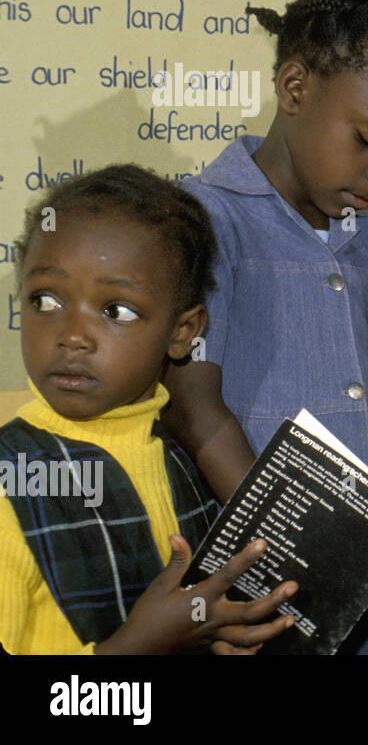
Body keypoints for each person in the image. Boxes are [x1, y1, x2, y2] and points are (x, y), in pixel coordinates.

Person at [165, 0, 368, 501]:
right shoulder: (207, 219)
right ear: (296, 88)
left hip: (352, 556)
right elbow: (191, 408)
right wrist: (282, 536)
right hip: (255, 560)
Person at [1, 165, 298, 654]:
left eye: (117, 310)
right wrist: (137, 646)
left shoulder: (179, 459)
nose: (72, 336)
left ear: (182, 333)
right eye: (47, 300)